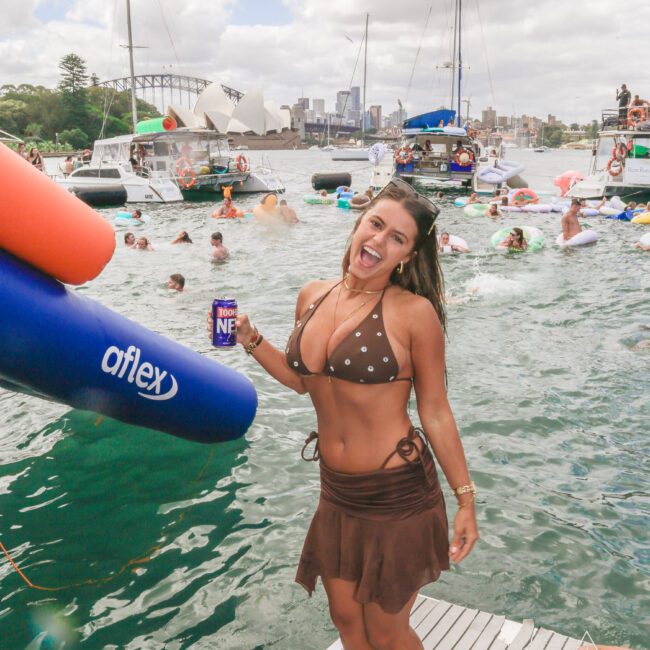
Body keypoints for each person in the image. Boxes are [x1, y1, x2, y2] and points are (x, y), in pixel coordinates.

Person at [231, 177, 478, 648]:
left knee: (387, 630)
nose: (379, 241)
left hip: (397, 492)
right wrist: (251, 340)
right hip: (337, 492)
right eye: (376, 224)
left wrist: (466, 500)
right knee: (345, 618)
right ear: (359, 222)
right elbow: (305, 381)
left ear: (406, 255)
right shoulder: (312, 294)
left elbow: (436, 412)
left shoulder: (414, 313)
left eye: (397, 238)